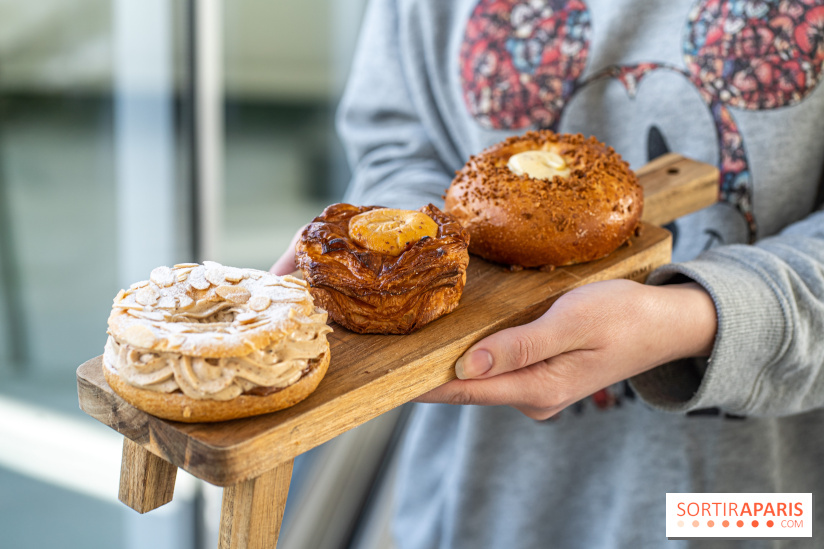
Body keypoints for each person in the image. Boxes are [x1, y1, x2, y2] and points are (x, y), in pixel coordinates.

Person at [272, 0, 824, 546]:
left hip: (743, 509)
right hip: (481, 501)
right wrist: (393, 244)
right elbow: (399, 144)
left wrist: (687, 318)